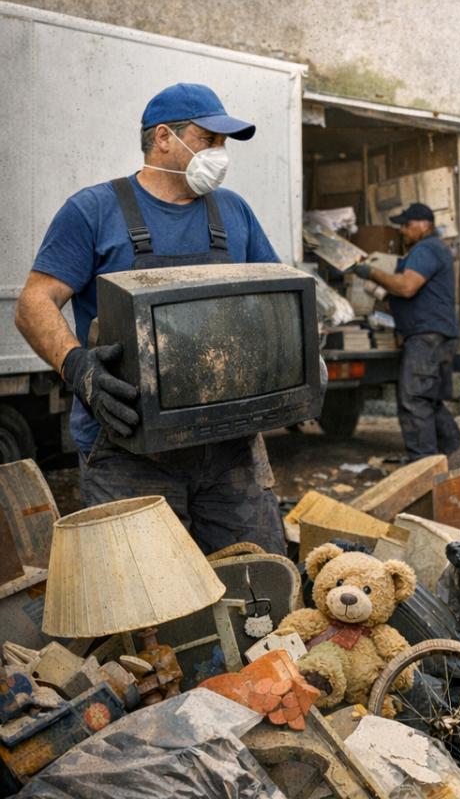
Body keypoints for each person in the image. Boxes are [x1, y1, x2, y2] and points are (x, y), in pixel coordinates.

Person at [15, 82, 287, 556]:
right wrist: (77, 367)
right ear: (164, 137)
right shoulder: (93, 211)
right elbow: (34, 303)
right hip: (127, 450)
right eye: (210, 140)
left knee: (258, 583)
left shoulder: (234, 212)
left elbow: (276, 295)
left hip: (230, 447)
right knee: (148, 608)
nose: (220, 155)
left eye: (224, 144)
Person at [346, 203, 460, 462]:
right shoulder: (433, 249)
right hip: (437, 334)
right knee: (427, 400)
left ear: (425, 225)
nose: (402, 230)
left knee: (413, 401)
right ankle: (457, 457)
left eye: (407, 224)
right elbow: (408, 294)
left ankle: (423, 469)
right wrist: (382, 292)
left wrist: (372, 272)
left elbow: (408, 287)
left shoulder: (426, 248)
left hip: (427, 336)